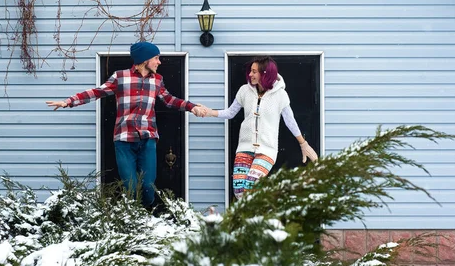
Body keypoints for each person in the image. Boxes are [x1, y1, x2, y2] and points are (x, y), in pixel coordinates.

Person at [46, 41, 206, 208]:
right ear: (145, 60)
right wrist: (68, 101)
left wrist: (191, 106)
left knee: (148, 187)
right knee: (130, 187)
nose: (159, 62)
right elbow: (97, 92)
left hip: (148, 138)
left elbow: (169, 100)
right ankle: (134, 219)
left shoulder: (157, 80)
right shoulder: (120, 77)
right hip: (123, 139)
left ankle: (145, 215)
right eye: (156, 58)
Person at [201, 56, 318, 199]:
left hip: (267, 150)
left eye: (254, 71)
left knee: (251, 187)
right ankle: (251, 218)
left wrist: (303, 143)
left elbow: (290, 120)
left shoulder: (280, 95)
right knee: (239, 192)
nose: (250, 75)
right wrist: (209, 112)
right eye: (250, 71)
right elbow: (230, 112)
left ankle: (266, 212)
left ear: (265, 73)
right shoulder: (244, 91)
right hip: (244, 148)